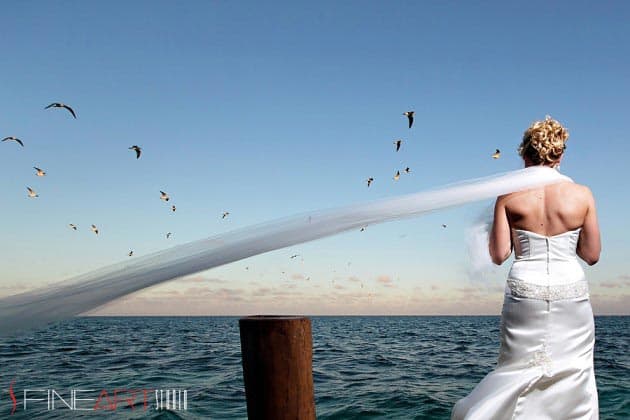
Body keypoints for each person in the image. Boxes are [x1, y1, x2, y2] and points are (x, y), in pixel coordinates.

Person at [452, 116, 601, 419]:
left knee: (516, 368)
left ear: (525, 154)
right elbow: (592, 254)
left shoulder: (508, 195)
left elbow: (498, 254)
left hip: (525, 290)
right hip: (570, 289)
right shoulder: (583, 195)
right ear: (560, 154)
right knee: (575, 370)